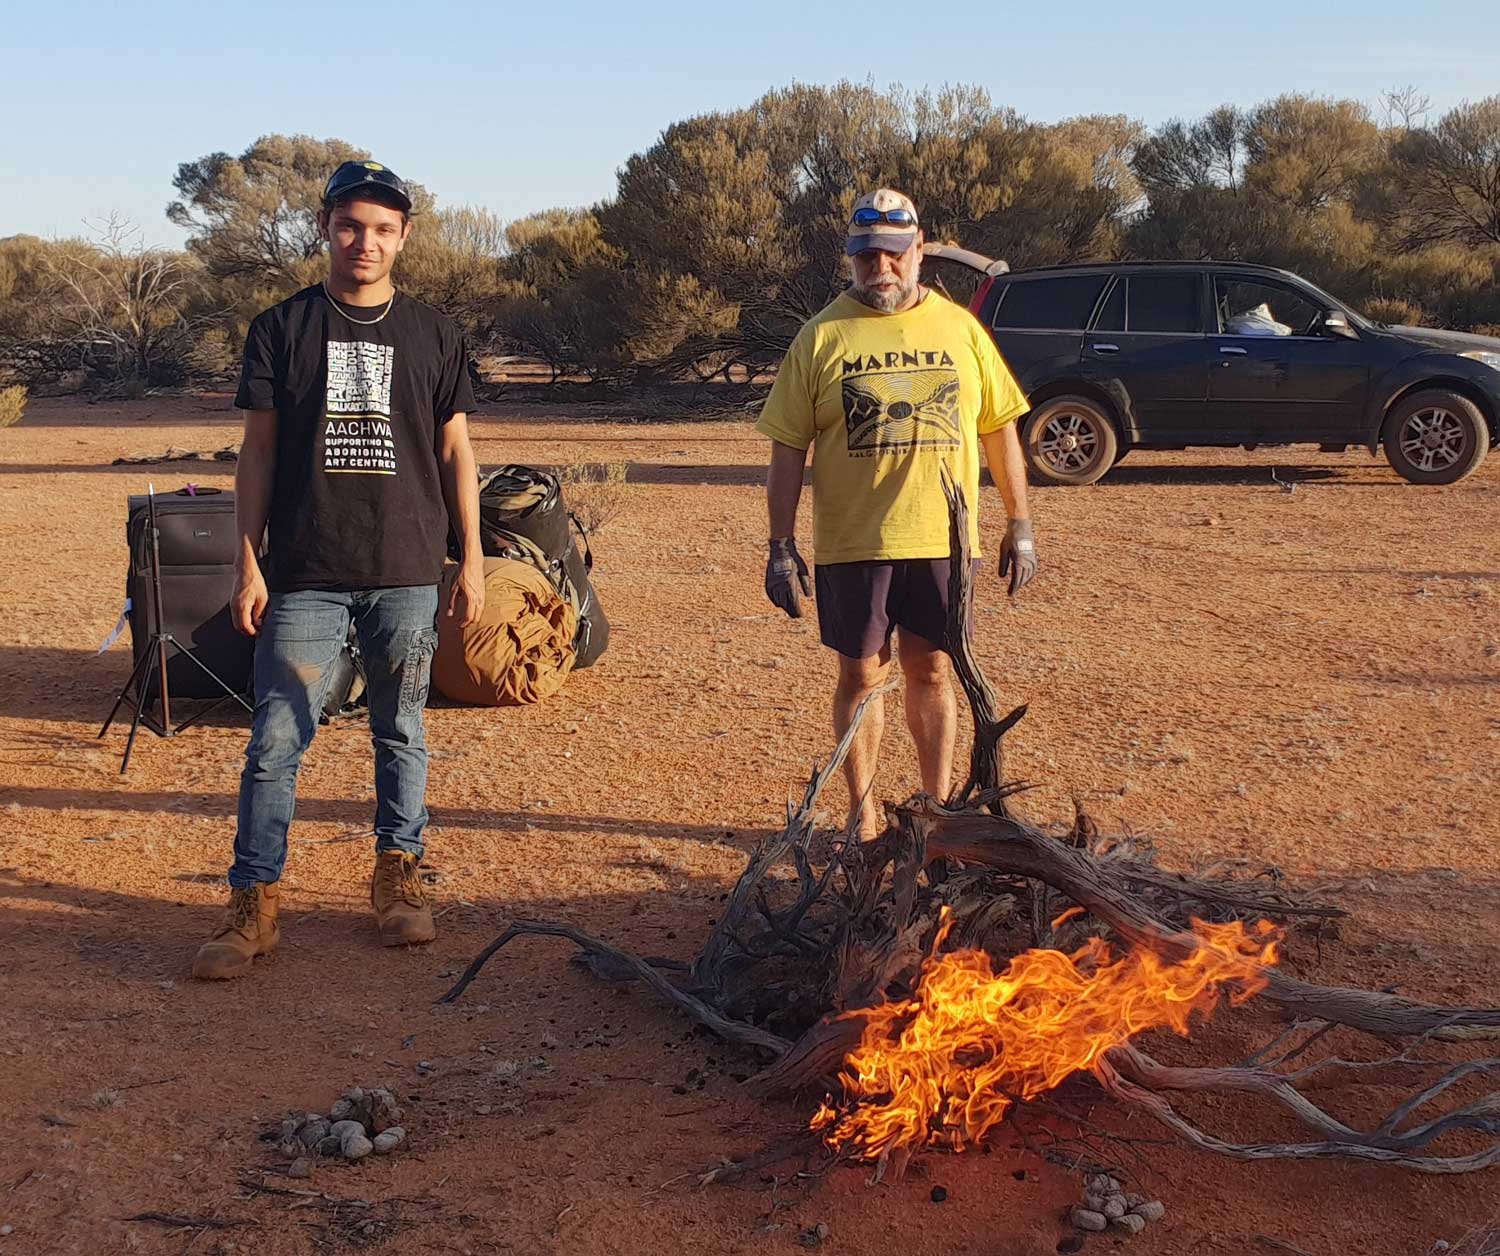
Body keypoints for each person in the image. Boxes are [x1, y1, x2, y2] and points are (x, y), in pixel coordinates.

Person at [193, 160, 485, 980]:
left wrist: (472, 559)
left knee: (402, 729)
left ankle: (398, 882)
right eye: (352, 225)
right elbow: (257, 453)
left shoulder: (433, 332)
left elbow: (457, 449)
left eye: (384, 229)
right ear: (325, 226)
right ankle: (254, 904)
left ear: (405, 238)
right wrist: (247, 563)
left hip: (406, 566)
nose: (366, 241)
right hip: (306, 569)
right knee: (277, 738)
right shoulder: (282, 328)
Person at [755, 189, 1036, 841]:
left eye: (892, 254)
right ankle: (863, 812)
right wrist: (779, 543)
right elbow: (788, 447)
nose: (880, 268)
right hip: (853, 542)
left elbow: (999, 431)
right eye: (865, 256)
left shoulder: (961, 330)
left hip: (941, 541)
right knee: (859, 672)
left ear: (919, 251)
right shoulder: (821, 335)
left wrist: (1019, 525)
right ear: (849, 259)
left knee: (933, 668)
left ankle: (934, 812)